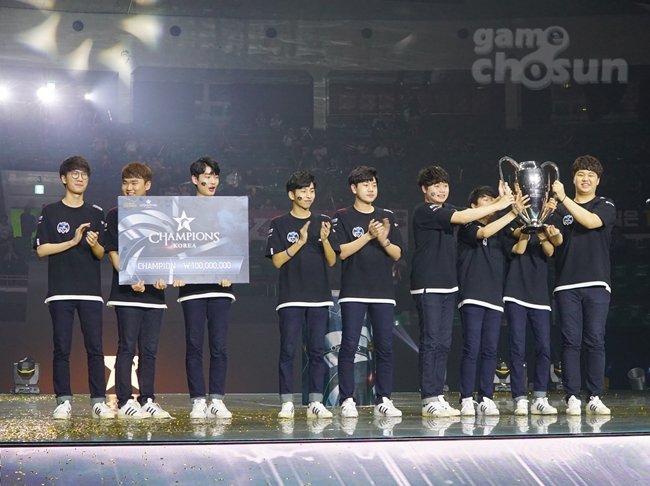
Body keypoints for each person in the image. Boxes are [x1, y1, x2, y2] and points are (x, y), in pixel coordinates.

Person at [410, 166, 515, 418]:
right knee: (431, 342)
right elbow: (465, 217)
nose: (441, 189)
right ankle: (428, 397)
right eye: (435, 185)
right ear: (424, 189)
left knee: (444, 343)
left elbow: (470, 213)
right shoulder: (424, 210)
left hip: (449, 285)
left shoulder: (448, 208)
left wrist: (502, 203)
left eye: (444, 185)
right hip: (428, 283)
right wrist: (503, 205)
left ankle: (438, 394)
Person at [34, 156, 114, 419]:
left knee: (95, 348)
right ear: (63, 178)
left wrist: (93, 244)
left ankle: (98, 401)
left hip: (90, 292)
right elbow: (41, 250)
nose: (80, 178)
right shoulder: (50, 211)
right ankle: (63, 401)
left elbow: (101, 253)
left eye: (84, 175)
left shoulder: (96, 212)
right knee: (62, 348)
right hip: (60, 291)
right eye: (75, 174)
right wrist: (72, 241)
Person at [265, 171, 339, 419]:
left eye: (312, 191)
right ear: (291, 194)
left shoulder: (324, 221)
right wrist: (300, 242)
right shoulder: (279, 223)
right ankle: (287, 402)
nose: (309, 195)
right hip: (291, 297)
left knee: (317, 351)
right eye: (303, 191)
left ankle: (315, 402)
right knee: (288, 350)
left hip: (319, 296)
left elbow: (332, 261)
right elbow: (277, 261)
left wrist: (325, 240)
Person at [332, 166, 403, 418]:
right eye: (365, 184)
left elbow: (397, 254)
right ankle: (347, 399)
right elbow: (342, 252)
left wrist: (383, 239)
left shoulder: (387, 215)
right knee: (349, 346)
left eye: (373, 184)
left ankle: (383, 399)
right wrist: (369, 236)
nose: (371, 188)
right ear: (354, 188)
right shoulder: (342, 216)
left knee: (384, 347)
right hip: (354, 290)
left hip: (383, 291)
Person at [549, 155, 615, 415]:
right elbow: (556, 244)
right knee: (570, 342)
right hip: (566, 284)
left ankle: (595, 396)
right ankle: (572, 397)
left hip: (597, 282)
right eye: (580, 174)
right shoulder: (559, 210)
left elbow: (590, 222)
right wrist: (553, 234)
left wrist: (564, 198)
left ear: (597, 181)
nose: (585, 179)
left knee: (595, 340)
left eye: (590, 175)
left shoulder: (605, 204)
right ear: (573, 178)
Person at [105, 162, 172, 419]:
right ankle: (124, 401)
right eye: (125, 183)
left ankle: (147, 399)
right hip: (127, 294)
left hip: (154, 296)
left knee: (149, 351)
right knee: (126, 348)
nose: (129, 188)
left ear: (147, 185)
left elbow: (167, 252)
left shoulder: (160, 214)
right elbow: (113, 253)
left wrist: (164, 278)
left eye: (134, 183)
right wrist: (130, 276)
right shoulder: (115, 214)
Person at [173, 157, 236, 420]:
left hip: (221, 288)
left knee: (219, 346)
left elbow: (234, 242)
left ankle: (217, 400)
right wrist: (175, 272)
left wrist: (231, 270)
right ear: (194, 179)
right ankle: (198, 400)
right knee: (194, 345)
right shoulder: (181, 209)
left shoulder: (228, 209)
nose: (211, 181)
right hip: (192, 289)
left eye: (215, 176)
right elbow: (172, 243)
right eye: (206, 176)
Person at [457, 184, 524, 417]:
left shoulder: (501, 231)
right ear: (473, 205)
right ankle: (466, 397)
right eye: (485, 200)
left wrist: (528, 224)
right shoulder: (467, 225)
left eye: (492, 200)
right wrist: (511, 212)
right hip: (472, 296)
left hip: (495, 298)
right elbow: (483, 233)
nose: (491, 204)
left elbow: (518, 249)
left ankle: (486, 397)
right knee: (471, 348)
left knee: (490, 350)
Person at [502, 208, 561, 416]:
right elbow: (518, 249)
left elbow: (550, 251)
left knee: (544, 347)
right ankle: (519, 398)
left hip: (540, 296)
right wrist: (527, 229)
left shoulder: (545, 222)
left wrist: (543, 233)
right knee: (517, 347)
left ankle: (540, 397)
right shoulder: (510, 221)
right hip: (515, 292)